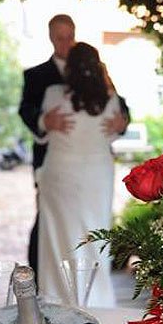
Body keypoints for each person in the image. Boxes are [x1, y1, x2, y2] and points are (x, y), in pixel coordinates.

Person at [18, 14, 128, 280]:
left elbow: (120, 106)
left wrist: (121, 122)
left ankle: (74, 282)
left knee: (84, 227)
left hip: (90, 165)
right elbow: (25, 109)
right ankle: (39, 279)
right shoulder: (37, 75)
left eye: (70, 37)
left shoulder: (97, 70)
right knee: (49, 226)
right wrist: (45, 120)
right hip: (55, 161)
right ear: (50, 38)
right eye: (60, 38)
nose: (66, 43)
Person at [35, 42, 123, 306]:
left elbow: (44, 134)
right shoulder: (112, 99)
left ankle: (57, 301)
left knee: (58, 240)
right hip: (97, 175)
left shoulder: (53, 94)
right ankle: (98, 300)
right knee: (95, 236)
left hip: (62, 173)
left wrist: (43, 122)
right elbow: (115, 130)